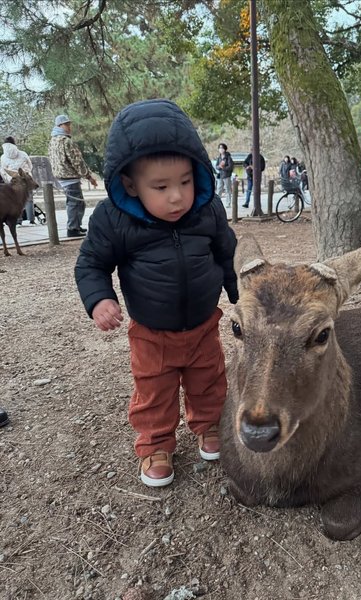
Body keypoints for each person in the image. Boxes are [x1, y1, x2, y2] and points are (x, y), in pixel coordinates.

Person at [75, 99, 238, 488]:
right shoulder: (113, 219)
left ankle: (210, 426)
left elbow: (227, 253)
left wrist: (239, 294)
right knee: (154, 392)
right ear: (130, 184)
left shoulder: (207, 210)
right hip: (151, 332)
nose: (178, 196)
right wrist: (99, 299)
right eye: (161, 187)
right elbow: (90, 264)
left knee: (210, 380)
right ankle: (156, 444)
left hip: (202, 325)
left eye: (186, 181)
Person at [48, 114, 98, 238]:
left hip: (60, 175)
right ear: (60, 125)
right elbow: (77, 161)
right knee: (75, 203)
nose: (69, 127)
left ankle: (75, 225)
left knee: (73, 202)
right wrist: (88, 176)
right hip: (69, 176)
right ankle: (73, 228)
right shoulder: (66, 141)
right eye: (67, 124)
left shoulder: (52, 141)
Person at [0, 136, 35, 225]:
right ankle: (31, 220)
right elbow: (30, 165)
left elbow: (3, 171)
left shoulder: (3, 157)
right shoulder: (22, 154)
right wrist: (26, 174)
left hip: (14, 182)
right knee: (29, 198)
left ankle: (18, 221)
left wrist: (8, 179)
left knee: (15, 201)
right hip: (25, 180)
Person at [215, 143, 234, 208]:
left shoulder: (228, 157)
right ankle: (217, 203)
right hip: (220, 175)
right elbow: (216, 166)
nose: (221, 149)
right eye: (219, 148)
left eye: (222, 148)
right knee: (219, 189)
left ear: (225, 149)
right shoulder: (219, 157)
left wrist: (224, 168)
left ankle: (228, 203)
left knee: (227, 189)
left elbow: (231, 167)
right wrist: (219, 167)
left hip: (226, 175)